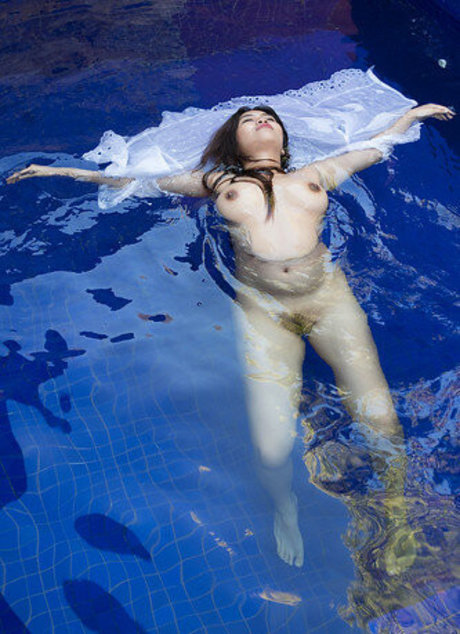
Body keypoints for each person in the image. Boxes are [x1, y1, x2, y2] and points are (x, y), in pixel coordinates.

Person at [6, 78, 455, 569]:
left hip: (330, 300)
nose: (261, 119)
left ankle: (396, 512)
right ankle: (284, 508)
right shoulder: (217, 183)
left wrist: (413, 116)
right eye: (249, 119)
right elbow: (134, 182)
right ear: (233, 141)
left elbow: (375, 147)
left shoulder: (315, 173)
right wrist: (57, 171)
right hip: (264, 311)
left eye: (269, 118)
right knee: (271, 447)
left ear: (283, 138)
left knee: (381, 416)